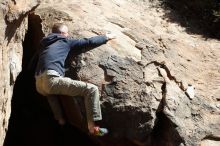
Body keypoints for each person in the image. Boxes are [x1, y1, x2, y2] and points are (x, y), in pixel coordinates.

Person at [35, 23, 115, 136]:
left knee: (50, 94)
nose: (68, 35)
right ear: (62, 33)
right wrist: (106, 37)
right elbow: (88, 42)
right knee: (91, 90)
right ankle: (93, 129)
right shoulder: (64, 41)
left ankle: (60, 120)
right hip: (51, 79)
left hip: (38, 84)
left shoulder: (44, 44)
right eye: (67, 33)